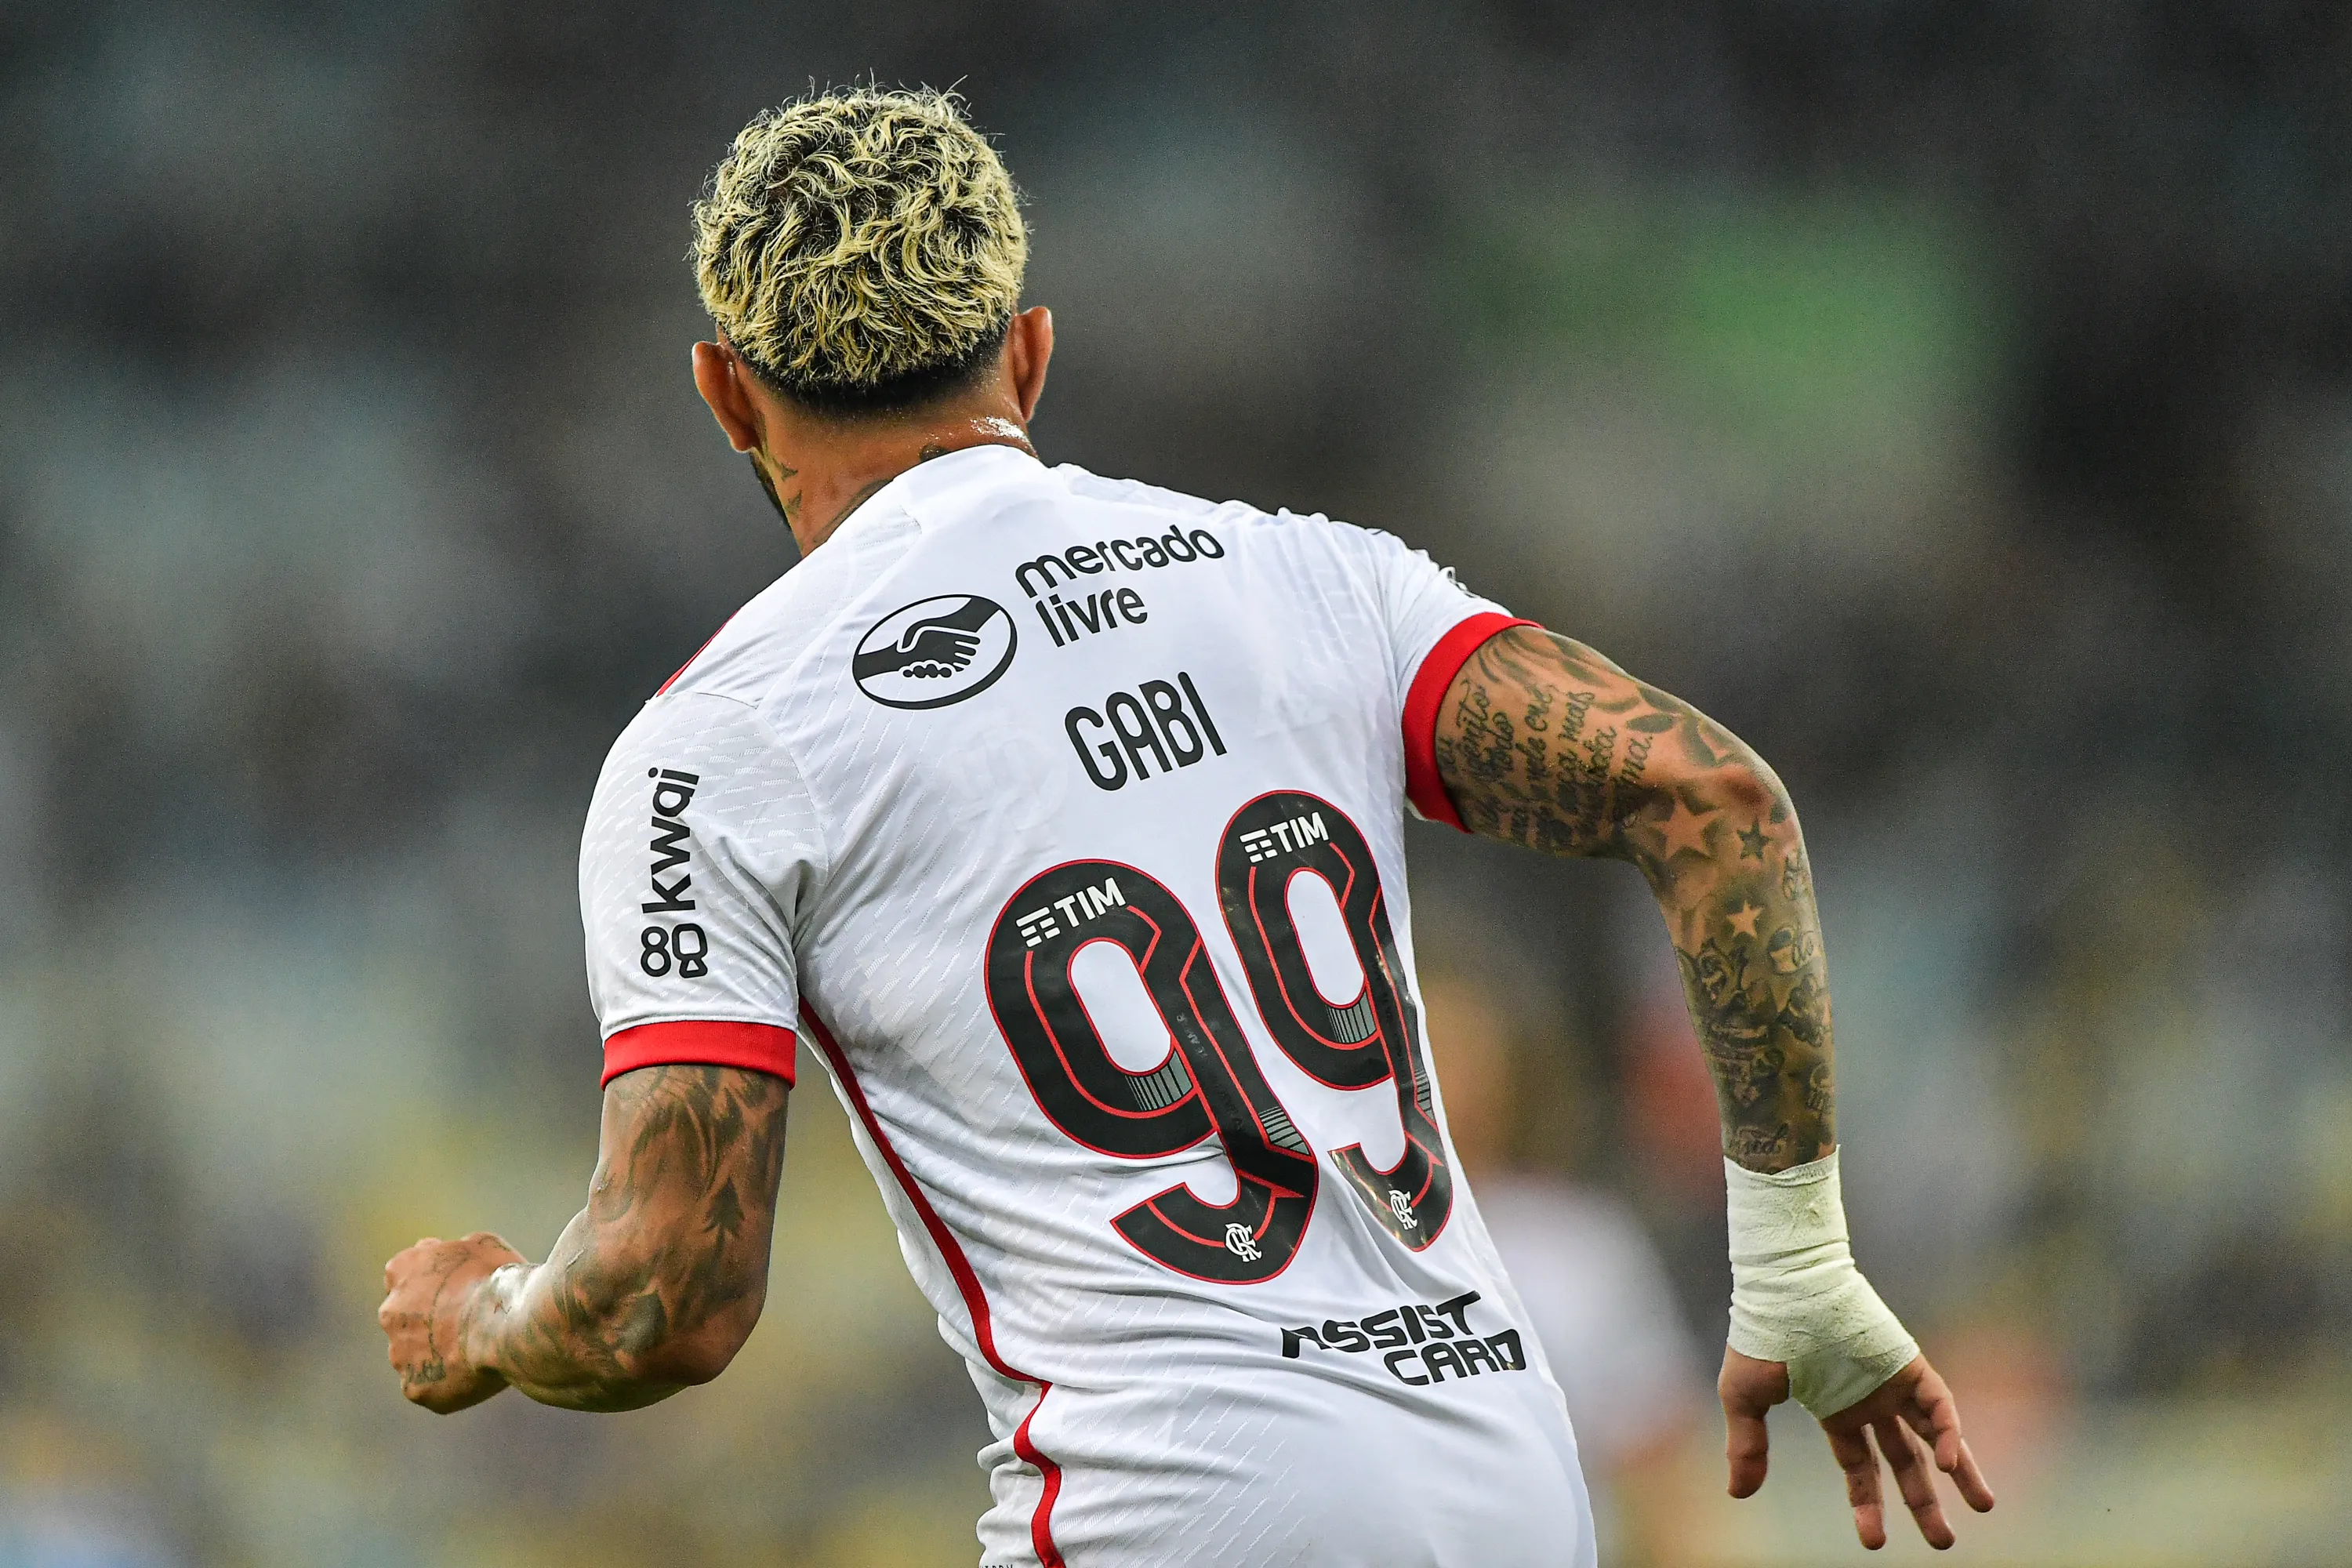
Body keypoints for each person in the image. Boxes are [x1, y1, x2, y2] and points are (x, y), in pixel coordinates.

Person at [377, 87, 1994, 1566]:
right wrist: (1798, 1261)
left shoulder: (716, 744)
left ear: (725, 393)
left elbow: (669, 1294)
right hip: (1505, 1477)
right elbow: (1714, 797)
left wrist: (493, 1315)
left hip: (1175, 1505)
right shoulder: (1322, 576)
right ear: (1029, 355)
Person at [1417, 970, 1712, 1567]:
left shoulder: (1580, 1249)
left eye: (1459, 1053)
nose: (1443, 1081)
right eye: (1424, 1052)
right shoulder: (1304, 1252)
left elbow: (1664, 1481)